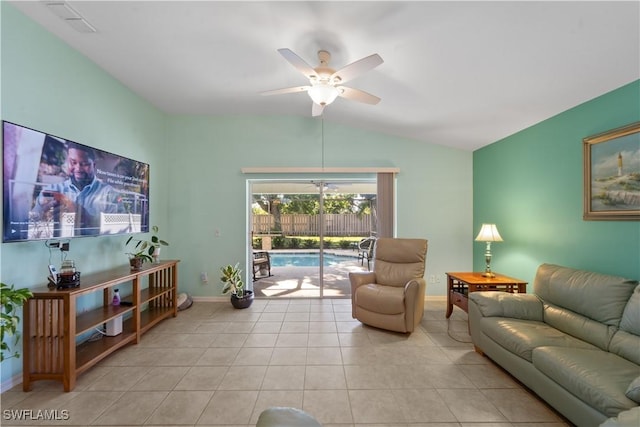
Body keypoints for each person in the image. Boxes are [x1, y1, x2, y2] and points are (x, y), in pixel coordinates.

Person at [32, 142, 124, 236]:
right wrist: (43, 215)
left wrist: (85, 217)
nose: (78, 168)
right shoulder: (51, 191)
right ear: (67, 162)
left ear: (94, 165)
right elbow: (31, 226)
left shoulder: (110, 194)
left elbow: (121, 229)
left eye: (85, 164)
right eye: (73, 162)